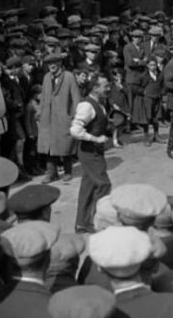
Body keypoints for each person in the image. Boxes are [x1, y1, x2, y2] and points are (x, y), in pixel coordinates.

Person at [69, 73, 112, 234]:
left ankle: (82, 223)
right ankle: (96, 220)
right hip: (89, 152)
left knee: (88, 187)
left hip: (94, 151)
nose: (108, 88)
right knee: (103, 184)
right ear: (95, 88)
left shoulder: (99, 103)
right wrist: (95, 138)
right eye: (105, 86)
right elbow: (75, 130)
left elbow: (94, 122)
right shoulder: (86, 106)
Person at [37, 52, 81, 184]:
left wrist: (75, 116)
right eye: (49, 64)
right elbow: (44, 96)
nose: (51, 66)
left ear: (60, 63)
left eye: (54, 63)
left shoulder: (69, 77)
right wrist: (40, 112)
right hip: (48, 117)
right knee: (49, 147)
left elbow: (76, 98)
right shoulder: (46, 77)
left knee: (65, 144)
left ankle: (68, 172)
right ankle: (51, 173)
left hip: (64, 116)